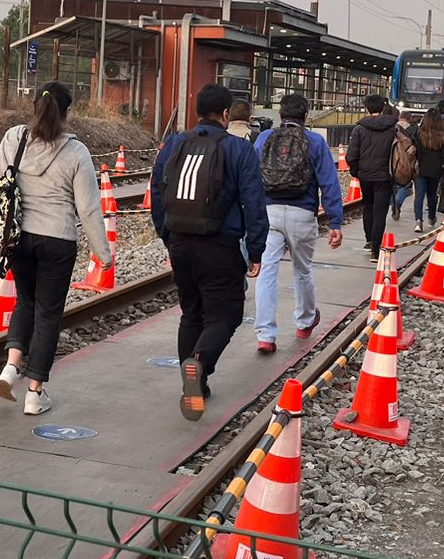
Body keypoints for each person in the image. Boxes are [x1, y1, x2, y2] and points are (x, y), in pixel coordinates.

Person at [151, 84, 268, 421]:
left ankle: (196, 388)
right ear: (227, 115)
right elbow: (253, 202)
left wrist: (166, 234)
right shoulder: (239, 149)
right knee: (225, 315)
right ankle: (199, 365)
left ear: (197, 110)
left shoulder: (175, 142)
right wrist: (256, 249)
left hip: (180, 242)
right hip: (219, 244)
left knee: (192, 313)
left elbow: (158, 190)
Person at [0, 81, 110, 415]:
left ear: (34, 106)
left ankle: (11, 366)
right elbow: (88, 209)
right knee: (48, 314)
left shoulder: (14, 139)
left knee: (25, 302)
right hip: (57, 240)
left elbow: (0, 184)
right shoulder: (76, 152)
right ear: (67, 112)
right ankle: (34, 392)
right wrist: (103, 254)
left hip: (19, 237)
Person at [253, 93, 344, 354]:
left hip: (268, 212)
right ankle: (304, 322)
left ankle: (266, 335)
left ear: (280, 116)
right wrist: (335, 221)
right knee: (302, 270)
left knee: (267, 271)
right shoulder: (315, 141)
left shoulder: (263, 138)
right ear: (306, 117)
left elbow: (249, 175)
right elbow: (329, 183)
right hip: (302, 214)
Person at [344, 94, 400, 258]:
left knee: (368, 206)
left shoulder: (359, 129)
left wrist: (356, 171)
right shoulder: (393, 128)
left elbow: (351, 156)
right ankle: (377, 250)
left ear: (367, 108)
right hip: (385, 176)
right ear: (382, 108)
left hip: (365, 176)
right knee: (380, 211)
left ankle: (369, 241)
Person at [410, 107, 444, 234]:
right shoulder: (442, 136)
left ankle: (418, 221)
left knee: (419, 195)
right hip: (435, 169)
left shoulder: (419, 133)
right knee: (432, 194)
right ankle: (431, 217)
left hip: (420, 168)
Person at [390, 109, 416, 221]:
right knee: (406, 186)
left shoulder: (392, 128)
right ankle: (398, 203)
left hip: (392, 161)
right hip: (407, 163)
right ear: (410, 119)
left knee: (393, 186)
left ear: (399, 117)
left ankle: (394, 204)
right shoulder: (414, 129)